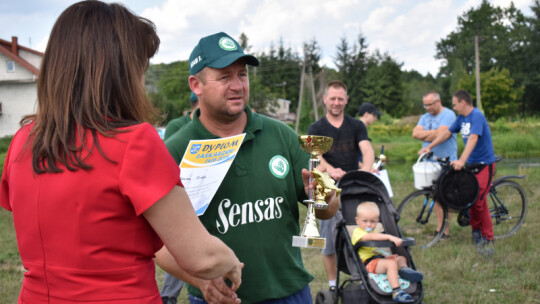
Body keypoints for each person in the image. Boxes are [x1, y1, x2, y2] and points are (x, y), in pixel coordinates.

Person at [0, 2, 243, 303]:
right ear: (117, 72)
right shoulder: (134, 143)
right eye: (138, 69)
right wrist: (230, 260)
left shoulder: (23, 141)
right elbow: (202, 257)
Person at [165, 32, 340, 304]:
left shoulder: (280, 135)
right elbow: (156, 244)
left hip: (290, 293)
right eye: (224, 77)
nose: (237, 85)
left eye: (242, 75)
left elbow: (327, 211)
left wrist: (325, 196)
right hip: (221, 299)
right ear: (196, 85)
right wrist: (201, 280)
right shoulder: (175, 150)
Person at [307, 81, 375, 292]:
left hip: (354, 186)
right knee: (328, 241)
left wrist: (368, 168)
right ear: (325, 99)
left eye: (340, 99)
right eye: (333, 98)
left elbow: (367, 148)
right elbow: (317, 157)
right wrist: (330, 169)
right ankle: (333, 284)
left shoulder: (357, 126)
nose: (336, 103)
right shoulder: (316, 128)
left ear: (346, 100)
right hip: (327, 188)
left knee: (362, 232)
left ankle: (365, 276)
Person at [419, 89, 496, 256]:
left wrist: (461, 160)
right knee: (470, 199)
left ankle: (488, 238)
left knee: (479, 202)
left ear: (463, 102)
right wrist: (429, 147)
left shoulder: (476, 115)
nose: (453, 108)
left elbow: (474, 138)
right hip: (471, 163)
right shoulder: (461, 118)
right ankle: (476, 233)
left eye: (454, 104)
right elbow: (447, 133)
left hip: (484, 164)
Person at [351, 202, 423, 303]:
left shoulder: (374, 232)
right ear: (357, 221)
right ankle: (397, 292)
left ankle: (405, 271)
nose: (369, 224)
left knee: (400, 258)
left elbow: (374, 249)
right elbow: (370, 238)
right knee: (391, 264)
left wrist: (386, 256)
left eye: (373, 221)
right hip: (368, 263)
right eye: (365, 221)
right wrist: (390, 237)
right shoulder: (358, 232)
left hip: (378, 259)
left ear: (377, 222)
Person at [412, 91, 457, 239]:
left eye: (430, 104)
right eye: (425, 105)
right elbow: (415, 134)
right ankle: (440, 229)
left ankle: (445, 231)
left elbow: (444, 134)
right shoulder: (424, 117)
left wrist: (428, 133)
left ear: (438, 101)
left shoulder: (449, 115)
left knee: (446, 196)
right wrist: (435, 133)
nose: (427, 108)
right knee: (435, 196)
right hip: (429, 162)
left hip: (446, 161)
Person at [357, 102, 381, 168]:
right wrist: (368, 169)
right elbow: (350, 156)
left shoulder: (362, 129)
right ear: (366, 114)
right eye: (374, 115)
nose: (375, 118)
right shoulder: (356, 129)